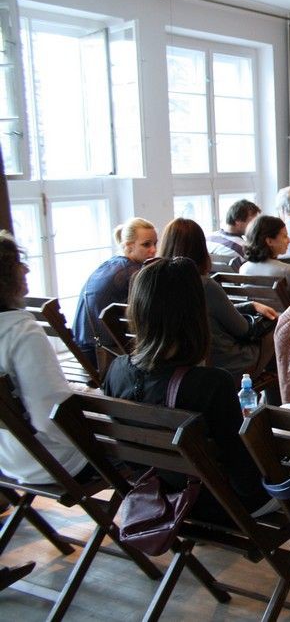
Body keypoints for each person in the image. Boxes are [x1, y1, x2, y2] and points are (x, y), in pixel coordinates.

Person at [102, 257, 271, 522]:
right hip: (220, 505)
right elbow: (247, 482)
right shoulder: (211, 383)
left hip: (158, 495)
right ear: (196, 314)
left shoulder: (117, 370)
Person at [0, 231, 89, 484]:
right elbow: (51, 415)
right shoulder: (21, 332)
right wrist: (93, 437)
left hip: (6, 456)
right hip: (53, 460)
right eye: (19, 263)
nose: (26, 269)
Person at [159, 218, 279, 382]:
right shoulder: (205, 285)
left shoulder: (157, 283)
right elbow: (242, 329)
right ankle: (278, 395)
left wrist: (249, 306)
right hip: (222, 367)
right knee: (274, 330)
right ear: (200, 249)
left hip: (177, 366)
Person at [72, 217, 158, 367]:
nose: (154, 250)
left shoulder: (109, 265)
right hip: (104, 355)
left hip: (83, 350)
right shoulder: (133, 272)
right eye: (146, 244)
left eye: (155, 243)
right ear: (129, 246)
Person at [241, 214, 290, 306]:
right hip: (287, 316)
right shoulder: (288, 271)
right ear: (269, 241)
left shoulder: (243, 268)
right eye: (285, 236)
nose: (289, 240)